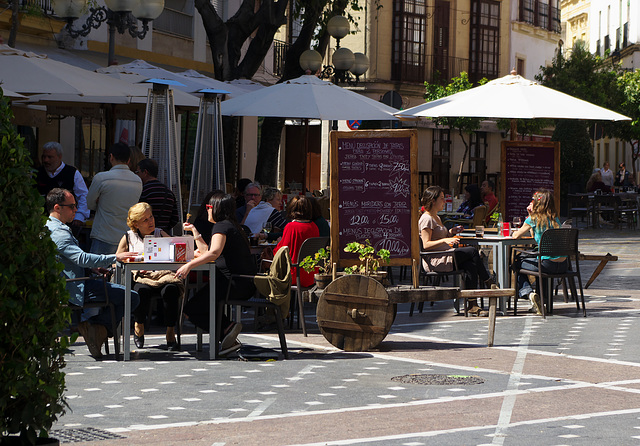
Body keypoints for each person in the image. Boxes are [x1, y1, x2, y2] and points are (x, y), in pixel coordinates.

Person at [45, 188, 140, 359]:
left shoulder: (50, 227)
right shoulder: (59, 233)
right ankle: (96, 328)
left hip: (72, 282)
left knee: (123, 295)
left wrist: (91, 268)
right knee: (131, 297)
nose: (76, 210)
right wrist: (115, 256)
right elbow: (81, 258)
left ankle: (96, 329)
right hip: (73, 288)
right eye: (72, 206)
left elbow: (69, 260)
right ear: (57, 207)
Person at [177, 192, 257, 356]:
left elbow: (213, 253)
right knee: (200, 306)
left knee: (190, 310)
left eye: (208, 207)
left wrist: (189, 266)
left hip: (231, 284)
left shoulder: (221, 226)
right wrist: (193, 230)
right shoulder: (230, 225)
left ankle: (227, 329)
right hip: (242, 283)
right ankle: (228, 334)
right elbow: (208, 251)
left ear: (216, 209)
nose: (206, 210)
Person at [116, 202, 182, 351]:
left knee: (171, 289)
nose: (150, 221)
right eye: (145, 220)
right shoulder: (128, 237)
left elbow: (176, 254)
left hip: (163, 276)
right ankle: (139, 325)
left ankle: (170, 331)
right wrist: (132, 262)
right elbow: (117, 259)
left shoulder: (160, 233)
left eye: (151, 217)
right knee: (141, 291)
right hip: (142, 278)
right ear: (136, 224)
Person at [419, 186, 494, 316]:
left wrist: (450, 232)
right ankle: (488, 281)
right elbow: (426, 244)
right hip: (435, 260)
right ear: (433, 201)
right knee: (472, 251)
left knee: (471, 265)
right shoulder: (427, 219)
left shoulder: (435, 217)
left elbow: (439, 237)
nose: (444, 202)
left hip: (445, 255)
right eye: (442, 199)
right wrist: (445, 241)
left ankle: (472, 305)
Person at [511, 189, 568, 315]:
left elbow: (516, 236)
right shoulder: (556, 219)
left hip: (547, 265)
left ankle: (529, 294)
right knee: (542, 260)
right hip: (563, 265)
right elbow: (535, 234)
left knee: (517, 262)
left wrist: (528, 216)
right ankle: (541, 303)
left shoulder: (533, 219)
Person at [87, 142, 143, 254]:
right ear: (128, 160)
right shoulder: (137, 180)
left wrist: (100, 203)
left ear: (111, 157)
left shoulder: (101, 178)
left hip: (103, 233)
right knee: (121, 270)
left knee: (97, 269)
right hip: (126, 235)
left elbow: (89, 204)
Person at [36, 141, 90, 227]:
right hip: (41, 222)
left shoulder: (72, 173)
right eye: (44, 157)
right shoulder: (37, 173)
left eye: (50, 157)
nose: (46, 160)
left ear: (59, 156)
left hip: (67, 224)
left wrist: (79, 216)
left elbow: (83, 195)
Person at [274, 195, 320, 289]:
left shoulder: (291, 227)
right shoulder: (314, 227)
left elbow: (282, 252)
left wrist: (279, 242)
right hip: (311, 275)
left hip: (294, 274)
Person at [136, 158, 179, 233]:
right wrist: (162, 229)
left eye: (138, 172)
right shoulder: (168, 192)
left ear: (145, 172)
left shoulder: (143, 190)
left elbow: (138, 214)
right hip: (163, 235)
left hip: (146, 235)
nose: (137, 175)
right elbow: (175, 218)